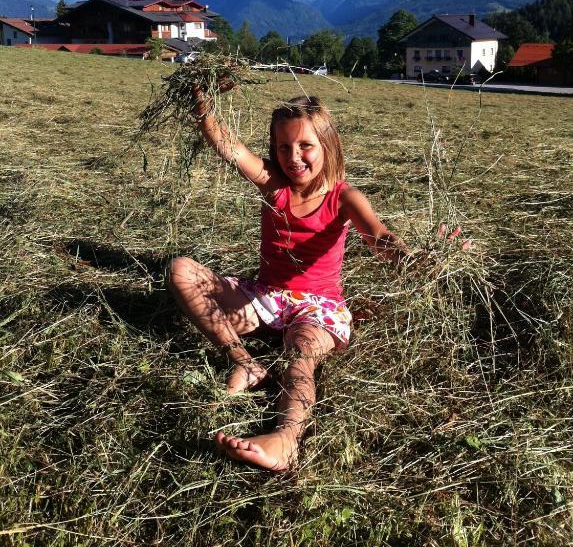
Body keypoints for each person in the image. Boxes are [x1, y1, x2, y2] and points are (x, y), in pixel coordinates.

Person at [169, 91, 468, 471]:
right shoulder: (272, 183)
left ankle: (285, 439)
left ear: (327, 145)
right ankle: (244, 361)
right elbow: (229, 146)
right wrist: (202, 105)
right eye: (283, 147)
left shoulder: (344, 197)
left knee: (300, 356)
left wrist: (414, 260)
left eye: (305, 146)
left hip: (318, 307)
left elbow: (380, 237)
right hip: (267, 299)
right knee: (180, 269)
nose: (293, 157)